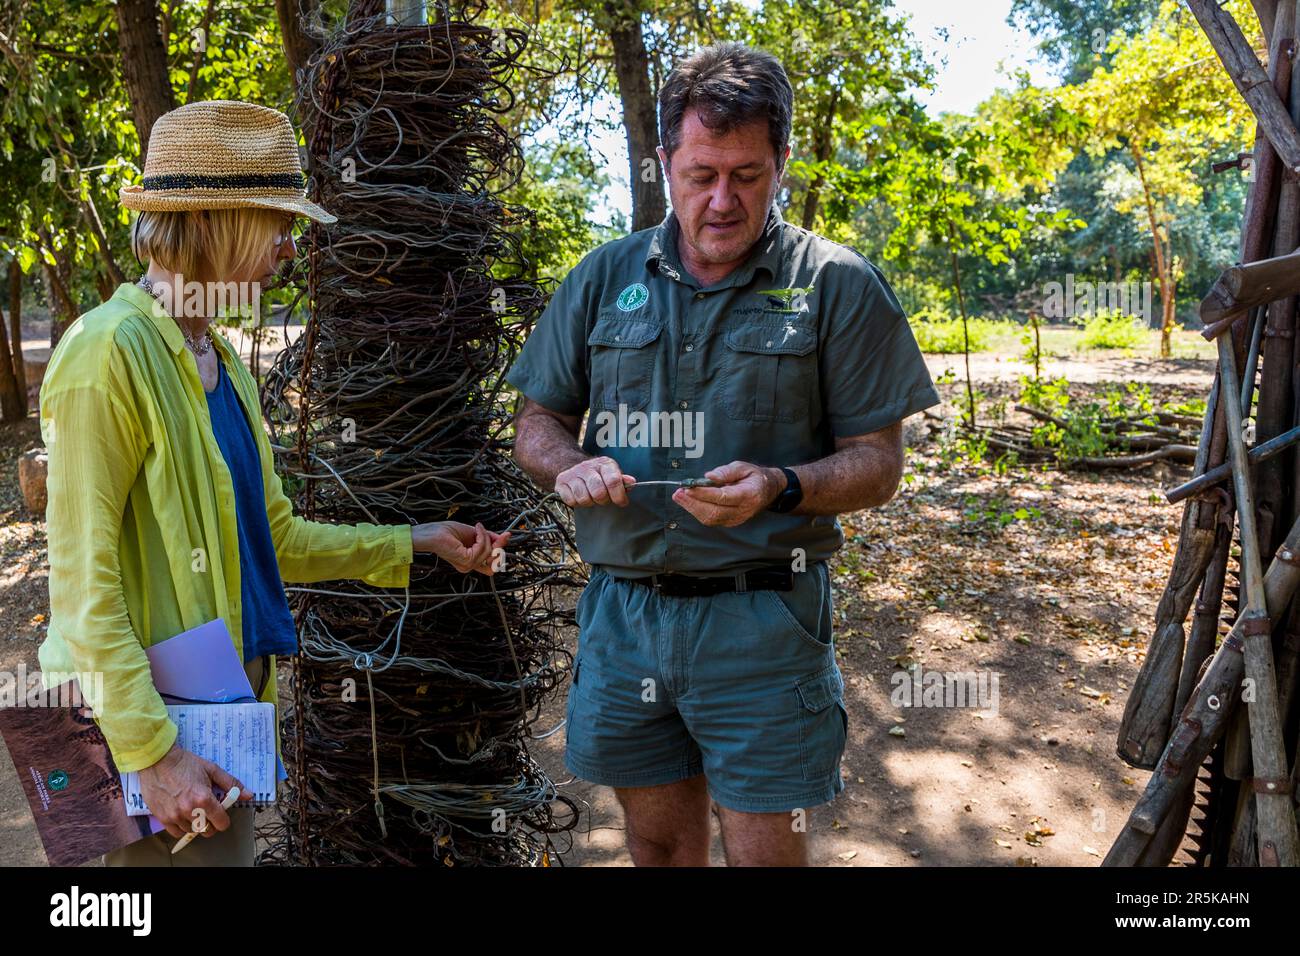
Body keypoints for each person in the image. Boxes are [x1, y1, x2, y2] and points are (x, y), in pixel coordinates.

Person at [38, 100, 511, 866]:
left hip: (222, 724)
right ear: (219, 221)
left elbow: (273, 540)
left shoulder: (220, 366)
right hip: (154, 745)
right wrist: (153, 754)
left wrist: (414, 543)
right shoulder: (106, 353)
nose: (290, 249)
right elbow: (83, 593)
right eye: (279, 224)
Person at [506, 43, 941, 866]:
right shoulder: (602, 277)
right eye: (701, 173)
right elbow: (536, 422)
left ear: (781, 163)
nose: (721, 200)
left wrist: (781, 486)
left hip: (764, 619)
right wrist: (569, 463)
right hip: (624, 617)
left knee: (764, 854)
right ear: (664, 160)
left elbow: (878, 464)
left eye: (746, 175)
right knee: (660, 848)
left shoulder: (836, 285)